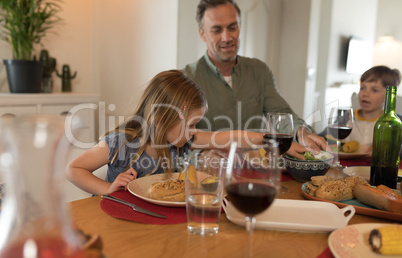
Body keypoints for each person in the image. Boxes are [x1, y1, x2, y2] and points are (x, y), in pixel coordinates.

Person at [66, 70, 308, 195]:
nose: (194, 132)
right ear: (161, 120)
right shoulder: (122, 142)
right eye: (191, 124)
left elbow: (229, 137)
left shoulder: (181, 141)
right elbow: (73, 169)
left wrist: (269, 141)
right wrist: (107, 189)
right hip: (115, 220)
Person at [184, 0, 327, 154]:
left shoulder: (259, 71)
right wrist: (202, 155)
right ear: (202, 34)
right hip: (208, 173)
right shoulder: (186, 78)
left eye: (232, 27)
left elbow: (281, 112)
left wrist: (301, 132)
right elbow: (179, 139)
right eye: (217, 30)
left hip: (256, 170)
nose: (226, 37)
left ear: (240, 26)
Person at [342, 65, 401, 155]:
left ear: (388, 95)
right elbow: (326, 137)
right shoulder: (346, 116)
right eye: (363, 88)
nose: (365, 94)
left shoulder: (395, 122)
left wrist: (389, 146)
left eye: (374, 90)